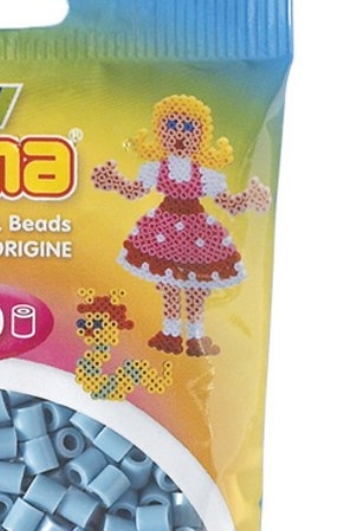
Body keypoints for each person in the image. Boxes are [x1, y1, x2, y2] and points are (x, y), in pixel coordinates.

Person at [91, 94, 270, 357]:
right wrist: (115, 181)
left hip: (197, 235)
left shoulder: (207, 176)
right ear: (160, 131)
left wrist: (249, 198)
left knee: (197, 287)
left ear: (201, 135)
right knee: (169, 286)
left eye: (188, 127)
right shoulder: (155, 169)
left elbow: (228, 204)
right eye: (171, 125)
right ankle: (171, 334)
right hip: (163, 232)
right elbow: (134, 191)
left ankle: (196, 336)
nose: (179, 134)